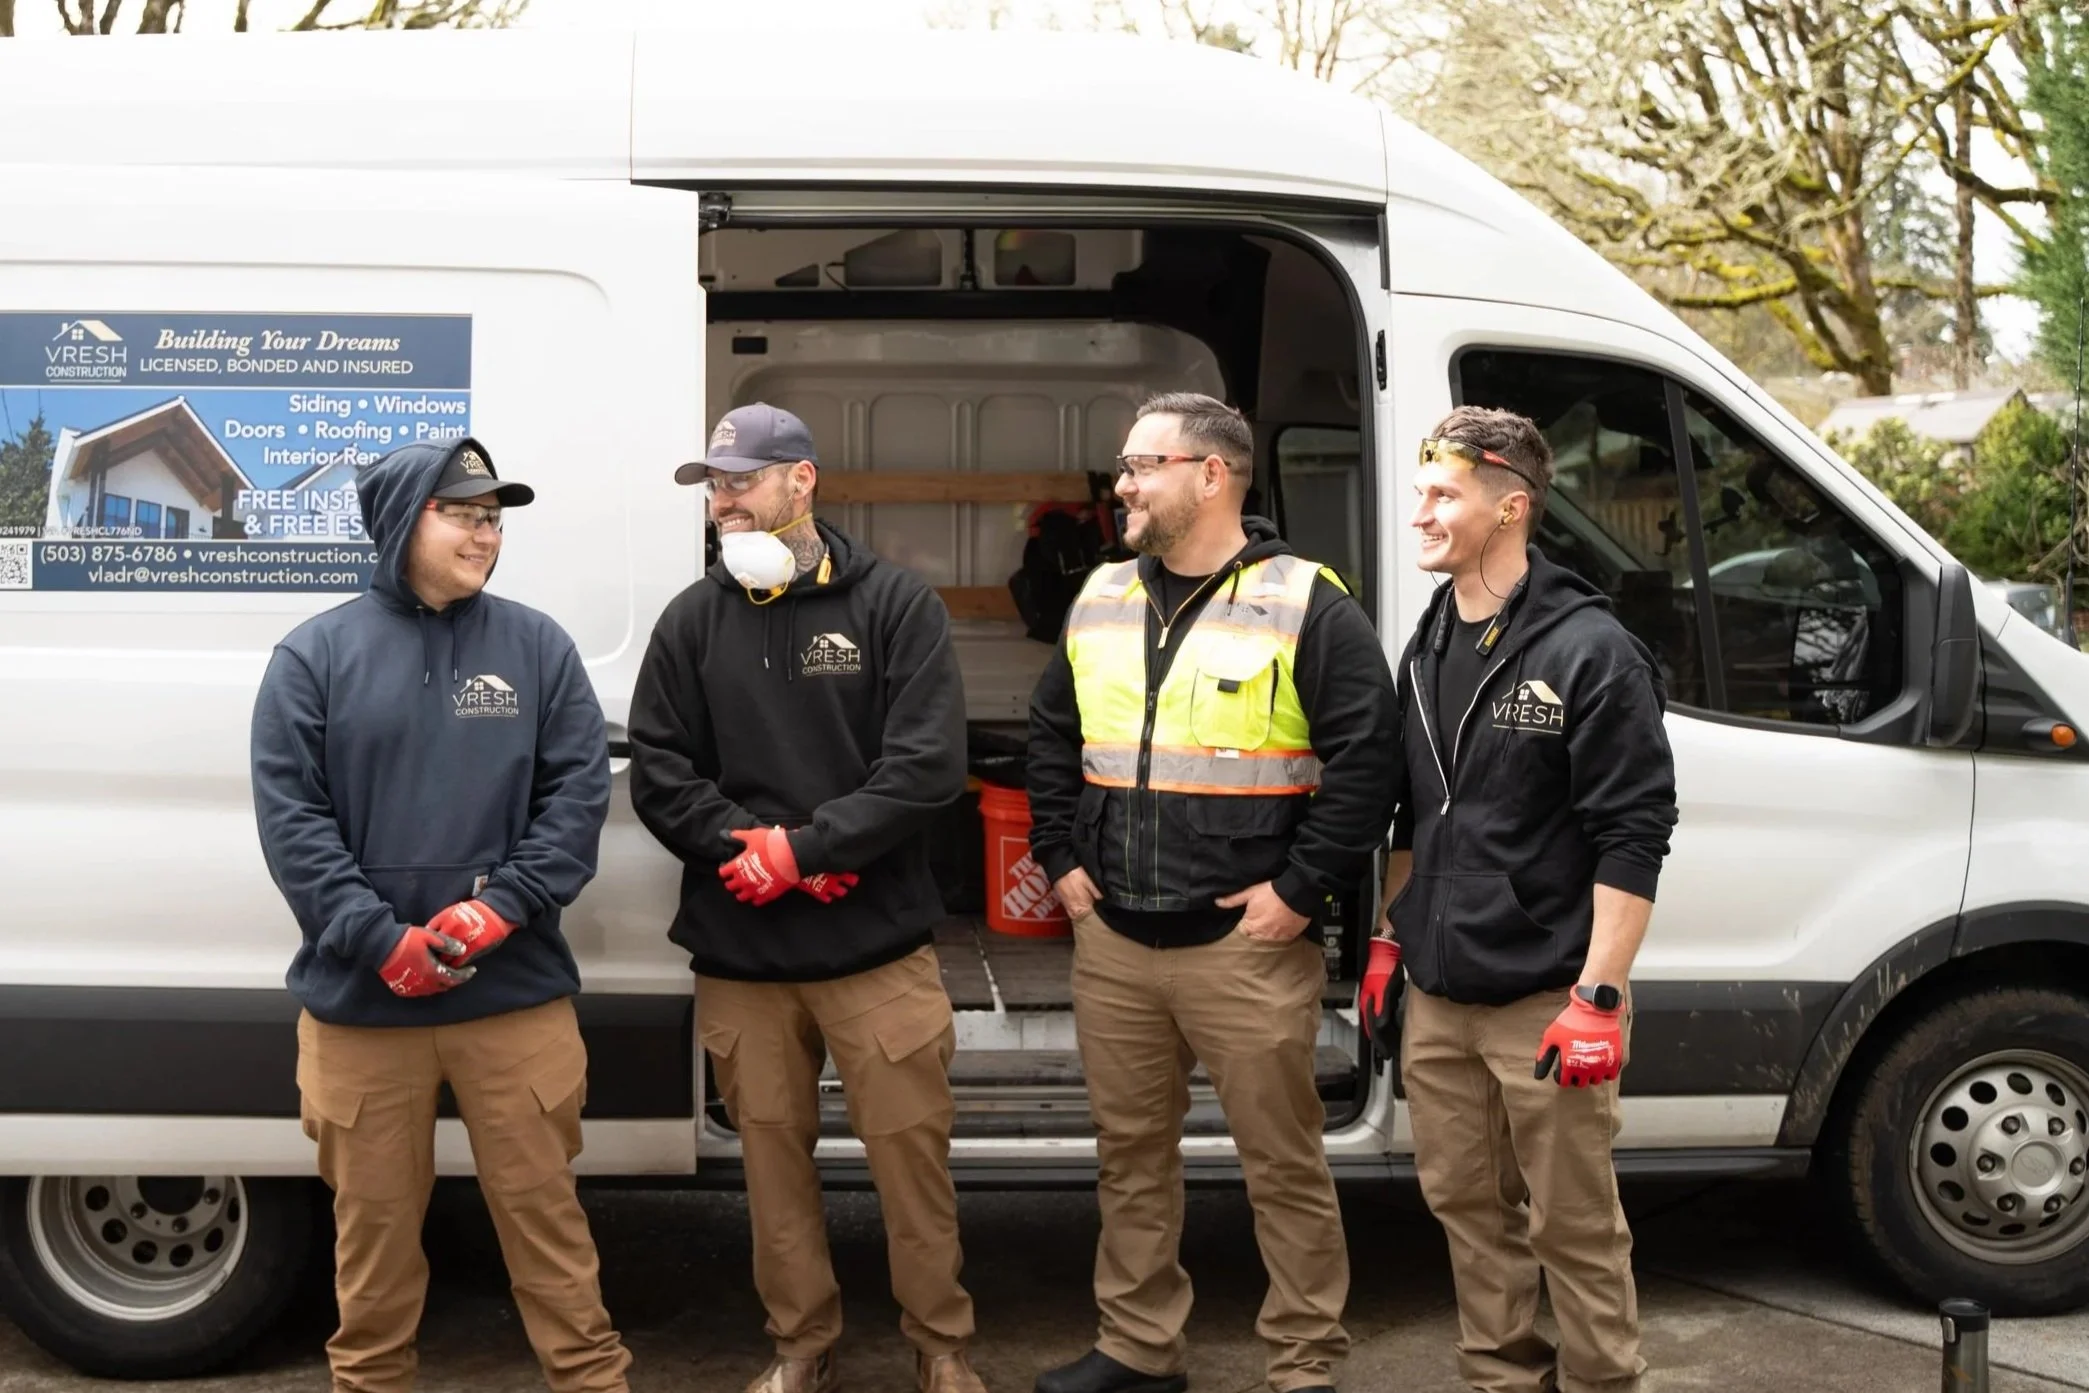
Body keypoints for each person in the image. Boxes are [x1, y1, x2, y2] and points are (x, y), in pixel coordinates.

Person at [1026, 393, 1400, 1393]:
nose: (1123, 484)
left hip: (1245, 944)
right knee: (1130, 1161)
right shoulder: (1101, 592)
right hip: (1113, 939)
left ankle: (1304, 1365)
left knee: (1282, 1169)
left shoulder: (1305, 599)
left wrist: (1299, 888)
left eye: (1143, 464)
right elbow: (1051, 737)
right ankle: (1140, 1349)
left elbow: (1370, 760)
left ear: (1211, 473)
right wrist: (1058, 857)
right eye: (1124, 465)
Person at [250, 438, 629, 1393]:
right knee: (372, 1254)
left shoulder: (536, 647)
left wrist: (503, 909)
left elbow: (576, 798)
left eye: (493, 516)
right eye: (460, 511)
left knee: (550, 1234)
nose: (485, 531)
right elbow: (293, 824)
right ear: (397, 520)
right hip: (363, 1009)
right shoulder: (314, 656)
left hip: (513, 999)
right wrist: (381, 940)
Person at [627, 403, 986, 1393]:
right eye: (714, 485)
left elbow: (925, 767)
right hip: (745, 957)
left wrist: (818, 849)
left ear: (803, 480)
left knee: (913, 1166)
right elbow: (660, 769)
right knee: (774, 1174)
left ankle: (941, 1345)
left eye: (741, 480)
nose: (724, 502)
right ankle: (800, 1345)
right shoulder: (692, 620)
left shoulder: (894, 606)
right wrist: (757, 850)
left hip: (876, 952)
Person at [1367, 406, 1678, 1393]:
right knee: (1464, 1206)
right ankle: (1501, 1377)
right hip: (1439, 996)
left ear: (1511, 506)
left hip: (1545, 1000)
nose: (1420, 510)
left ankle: (1598, 1382)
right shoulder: (1425, 643)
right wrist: (1388, 939)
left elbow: (1635, 832)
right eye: (1420, 490)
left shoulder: (1590, 650)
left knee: (1572, 1223)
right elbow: (1413, 817)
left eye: (1441, 493)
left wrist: (1599, 997)